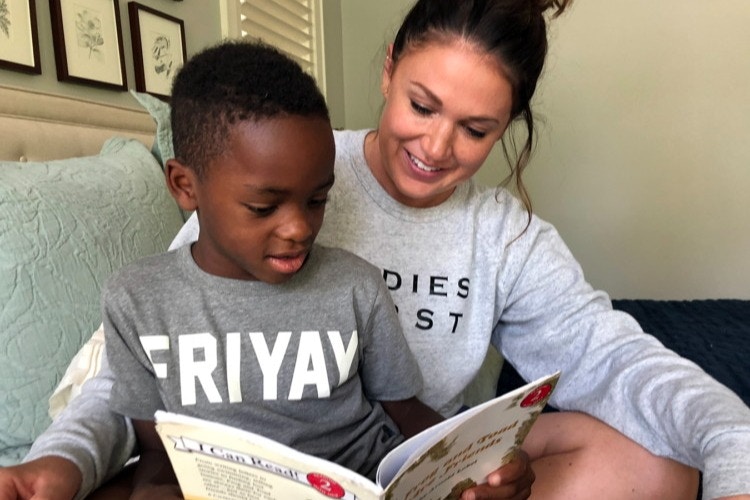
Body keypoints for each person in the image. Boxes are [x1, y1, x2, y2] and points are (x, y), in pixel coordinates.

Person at [2, 0, 749, 499]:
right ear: (389, 67)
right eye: (423, 105)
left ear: (509, 125)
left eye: (476, 128)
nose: (436, 147)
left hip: (402, 469)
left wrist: (732, 445)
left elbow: (614, 359)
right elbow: (142, 354)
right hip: (256, 468)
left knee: (656, 459)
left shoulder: (505, 236)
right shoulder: (270, 166)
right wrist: (64, 456)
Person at [105, 40, 448, 497]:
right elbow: (156, 448)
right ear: (185, 186)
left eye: (317, 200)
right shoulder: (137, 300)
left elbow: (406, 414)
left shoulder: (355, 287)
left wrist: (473, 459)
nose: (299, 228)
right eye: (264, 206)